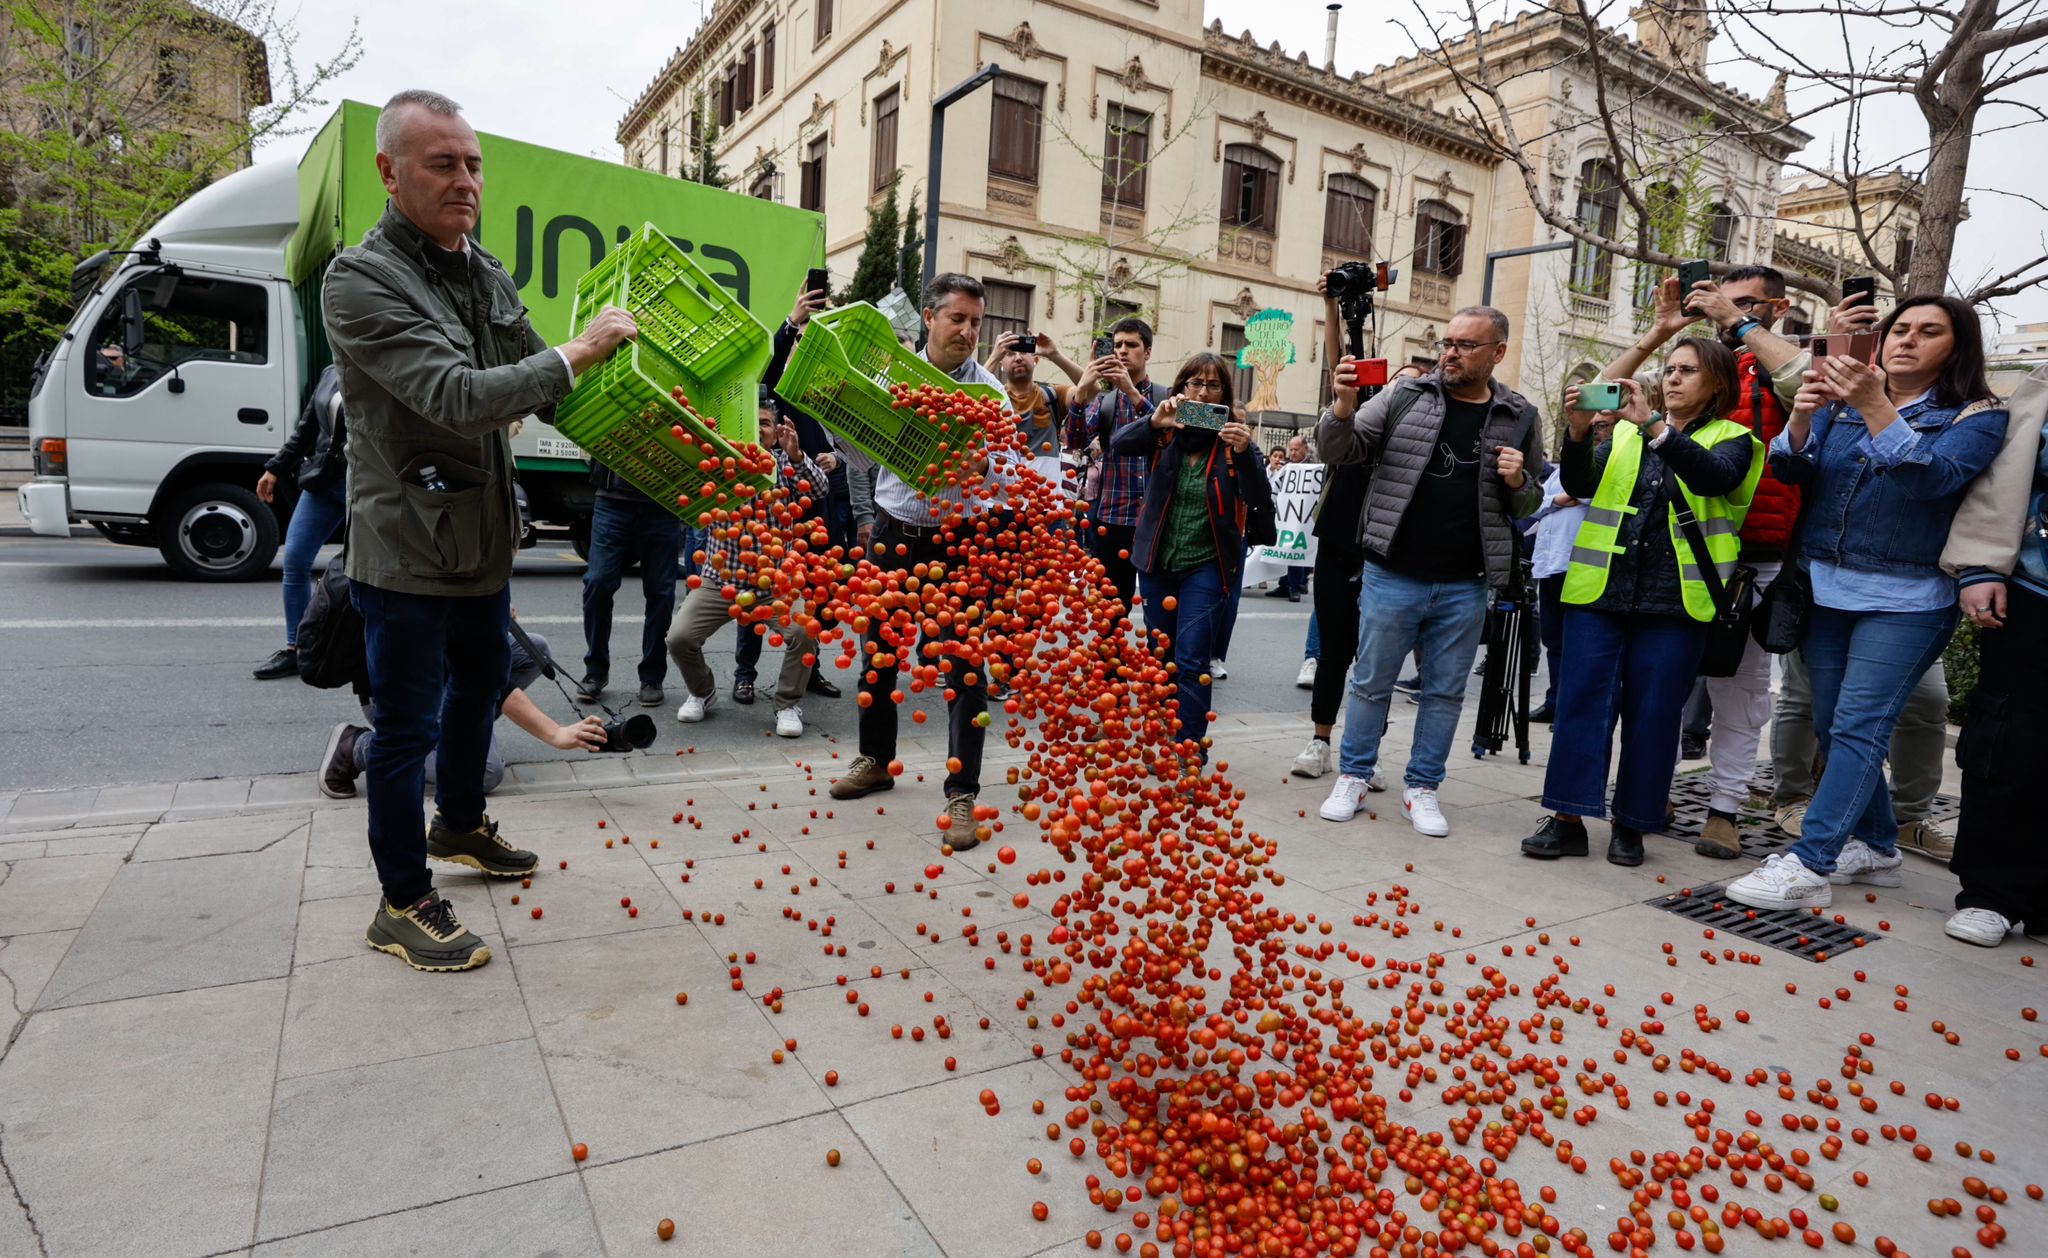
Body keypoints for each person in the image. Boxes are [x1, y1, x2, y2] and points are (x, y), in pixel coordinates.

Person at [323, 89, 637, 972]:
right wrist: (581, 352)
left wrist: (655, 429)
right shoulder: (362, 280)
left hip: (484, 533)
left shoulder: (483, 271)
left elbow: (535, 381)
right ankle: (402, 901)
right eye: (442, 163)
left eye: (472, 163)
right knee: (406, 724)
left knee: (482, 681)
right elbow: (460, 397)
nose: (465, 180)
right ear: (390, 172)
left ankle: (460, 822)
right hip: (409, 545)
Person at [1724, 295, 2009, 912]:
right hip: (1825, 586)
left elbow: (1931, 480)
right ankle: (1878, 844)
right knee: (1834, 725)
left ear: (1957, 347)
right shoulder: (1841, 400)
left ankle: (1811, 859)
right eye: (1899, 329)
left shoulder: (1977, 415)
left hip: (1908, 598)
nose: (1906, 340)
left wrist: (1875, 405)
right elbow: (1797, 474)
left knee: (1859, 726)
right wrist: (1800, 422)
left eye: (1927, 332)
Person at [1612, 266, 1861, 852]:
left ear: (1777, 308)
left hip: (1756, 561)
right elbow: (1606, 394)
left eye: (1744, 302)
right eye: (1718, 300)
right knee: (1662, 685)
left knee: (1742, 692)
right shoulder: (1690, 370)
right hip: (1673, 557)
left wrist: (1736, 321)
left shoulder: (1781, 367)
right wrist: (1659, 335)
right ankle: (1655, 785)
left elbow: (1803, 380)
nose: (1723, 310)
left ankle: (1724, 806)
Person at [1519, 340, 1763, 866]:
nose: (1673, 379)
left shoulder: (1736, 439)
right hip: (1599, 592)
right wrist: (1580, 432)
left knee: (1653, 717)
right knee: (1581, 706)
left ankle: (1632, 824)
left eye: (1687, 371)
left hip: (1677, 603)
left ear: (1717, 383)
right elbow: (1580, 483)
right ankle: (1566, 819)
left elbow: (1712, 477)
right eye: (1669, 370)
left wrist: (1655, 426)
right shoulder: (1624, 434)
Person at [1316, 308, 1544, 834]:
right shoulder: (1405, 397)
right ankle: (1353, 774)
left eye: (1466, 345)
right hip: (1392, 572)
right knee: (1372, 682)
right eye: (1448, 342)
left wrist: (1518, 484)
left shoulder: (1520, 414)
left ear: (1497, 353)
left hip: (1467, 582)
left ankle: (1422, 787)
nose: (1451, 353)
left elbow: (1530, 501)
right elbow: (1340, 450)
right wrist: (1344, 408)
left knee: (1443, 692)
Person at [828, 274, 1016, 846]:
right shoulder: (890, 379)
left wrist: (983, 472)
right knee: (879, 655)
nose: (968, 331)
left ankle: (962, 795)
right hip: (892, 533)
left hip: (959, 543)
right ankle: (876, 760)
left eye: (976, 323)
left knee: (965, 670)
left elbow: (1011, 480)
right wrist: (844, 417)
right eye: (957, 319)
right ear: (929, 319)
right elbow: (862, 460)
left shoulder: (990, 396)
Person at [1114, 353, 1269, 756]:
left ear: (1225, 395)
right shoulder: (1167, 434)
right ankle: (1162, 740)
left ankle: (1188, 749)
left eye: (1213, 386)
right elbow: (1117, 445)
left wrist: (1249, 450)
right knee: (1160, 657)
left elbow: (1257, 498)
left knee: (1192, 658)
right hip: (1157, 564)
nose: (1202, 392)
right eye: (1194, 384)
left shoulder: (1233, 446)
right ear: (1181, 389)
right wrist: (1154, 421)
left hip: (1207, 564)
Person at [1941, 364, 2048, 946]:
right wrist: (1980, 566)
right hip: (2034, 593)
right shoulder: (2043, 383)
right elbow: (2005, 476)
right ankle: (1992, 893)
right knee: (2008, 742)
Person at [1293, 352, 1426, 773]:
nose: (1402, 390)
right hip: (1338, 547)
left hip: (1389, 557)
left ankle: (1367, 748)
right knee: (1334, 652)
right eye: (1396, 382)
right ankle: (1320, 741)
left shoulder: (1416, 447)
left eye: (1413, 386)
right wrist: (1332, 303)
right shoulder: (1353, 423)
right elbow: (1338, 353)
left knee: (1378, 661)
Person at [665, 403, 827, 736]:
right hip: (719, 580)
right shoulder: (719, 462)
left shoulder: (784, 463)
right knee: (679, 638)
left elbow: (821, 488)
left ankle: (787, 703)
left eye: (766, 423)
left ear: (776, 433)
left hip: (775, 584)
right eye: (752, 423)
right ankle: (702, 691)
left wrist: (796, 455)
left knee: (804, 632)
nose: (759, 429)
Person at [320, 623, 607, 799]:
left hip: (429, 672)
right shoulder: (438, 564)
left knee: (535, 649)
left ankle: (456, 733)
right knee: (484, 772)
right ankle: (357, 747)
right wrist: (555, 733)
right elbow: (485, 673)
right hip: (393, 699)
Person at [760, 284, 851, 702]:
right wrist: (792, 323)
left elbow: (851, 447)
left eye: (808, 346)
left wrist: (834, 457)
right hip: (781, 517)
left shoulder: (828, 395)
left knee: (818, 599)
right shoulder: (779, 394)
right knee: (761, 592)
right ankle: (745, 673)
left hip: (821, 510)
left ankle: (808, 673)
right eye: (799, 344)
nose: (802, 352)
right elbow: (769, 368)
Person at [1066, 318, 1172, 609]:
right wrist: (1083, 390)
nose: (1123, 351)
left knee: (1161, 616)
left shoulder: (1168, 396)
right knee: (1109, 615)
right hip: (1112, 521)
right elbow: (1075, 440)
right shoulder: (1105, 401)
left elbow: (1168, 435)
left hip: (1157, 521)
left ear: (1147, 353)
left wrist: (1131, 391)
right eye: (1117, 345)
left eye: (1131, 345)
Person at [253, 364, 348, 679]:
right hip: (324, 481)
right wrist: (276, 468)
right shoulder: (331, 372)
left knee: (367, 572)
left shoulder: (381, 368)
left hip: (364, 486)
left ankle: (367, 650)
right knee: (295, 560)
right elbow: (307, 428)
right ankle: (298, 649)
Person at [574, 439, 681, 711]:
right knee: (597, 582)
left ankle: (652, 677)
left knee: (661, 593)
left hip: (663, 505)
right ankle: (595, 671)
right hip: (612, 503)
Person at [1525, 438, 1601, 724]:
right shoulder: (1561, 470)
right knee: (1554, 639)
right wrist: (1557, 500)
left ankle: (1571, 709)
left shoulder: (1606, 461)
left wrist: (1553, 502)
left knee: (1578, 644)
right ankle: (1554, 701)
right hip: (1551, 564)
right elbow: (1533, 505)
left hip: (1581, 565)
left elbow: (1585, 494)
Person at [990, 331, 1083, 489]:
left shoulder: (1053, 396)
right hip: (999, 503)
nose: (1018, 357)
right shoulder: (992, 400)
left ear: (1036, 359)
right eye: (1010, 354)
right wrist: (993, 357)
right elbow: (965, 403)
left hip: (1046, 504)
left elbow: (1091, 388)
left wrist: (1055, 355)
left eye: (1024, 352)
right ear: (1001, 364)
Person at [1266, 434, 1313, 601]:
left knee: (1295, 551)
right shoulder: (1287, 468)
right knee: (1284, 550)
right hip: (1285, 515)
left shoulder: (1313, 467)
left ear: (1305, 449)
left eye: (1296, 449)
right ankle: (1284, 585)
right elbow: (1275, 489)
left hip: (1301, 517)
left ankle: (1295, 588)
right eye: (1291, 449)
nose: (1293, 452)